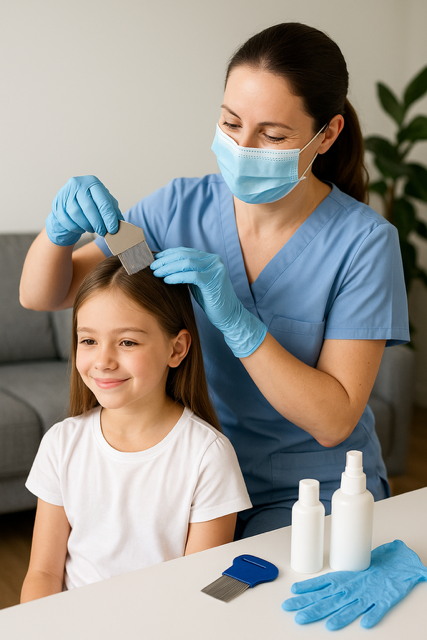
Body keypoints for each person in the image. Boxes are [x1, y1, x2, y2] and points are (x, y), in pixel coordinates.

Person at [20, 22, 409, 539]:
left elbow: (334, 420)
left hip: (311, 489)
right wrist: (56, 233)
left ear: (328, 134)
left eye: (272, 135)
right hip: (193, 473)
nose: (244, 148)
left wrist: (238, 323)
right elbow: (47, 293)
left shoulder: (364, 244)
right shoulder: (178, 208)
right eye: (230, 123)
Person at [20, 258, 251, 602]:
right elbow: (43, 573)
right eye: (88, 341)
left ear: (177, 348)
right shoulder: (61, 443)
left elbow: (202, 593)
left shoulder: (207, 455)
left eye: (127, 342)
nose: (103, 361)